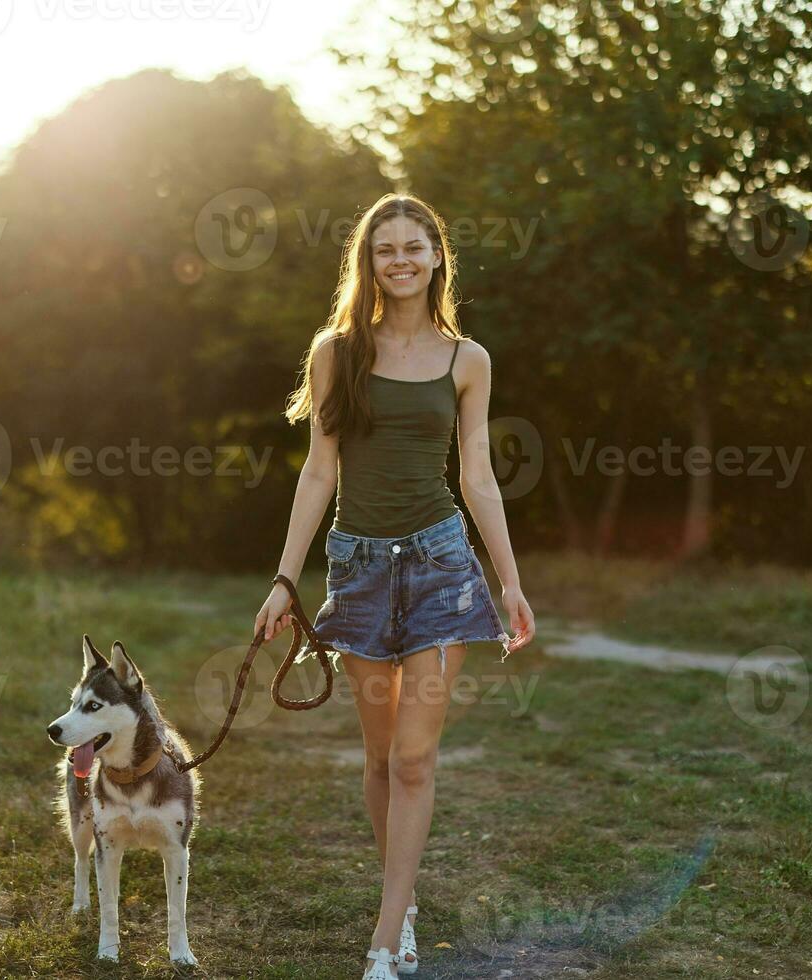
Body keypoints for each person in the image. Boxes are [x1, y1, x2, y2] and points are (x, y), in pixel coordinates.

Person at [253, 192, 536, 978]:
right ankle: (402, 901)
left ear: (438, 256)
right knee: (379, 760)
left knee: (415, 760)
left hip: (444, 565)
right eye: (386, 250)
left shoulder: (466, 358)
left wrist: (509, 582)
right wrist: (285, 578)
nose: (401, 260)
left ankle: (385, 941)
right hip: (362, 569)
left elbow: (477, 477)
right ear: (368, 262)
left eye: (415, 247)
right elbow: (318, 471)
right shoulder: (336, 353)